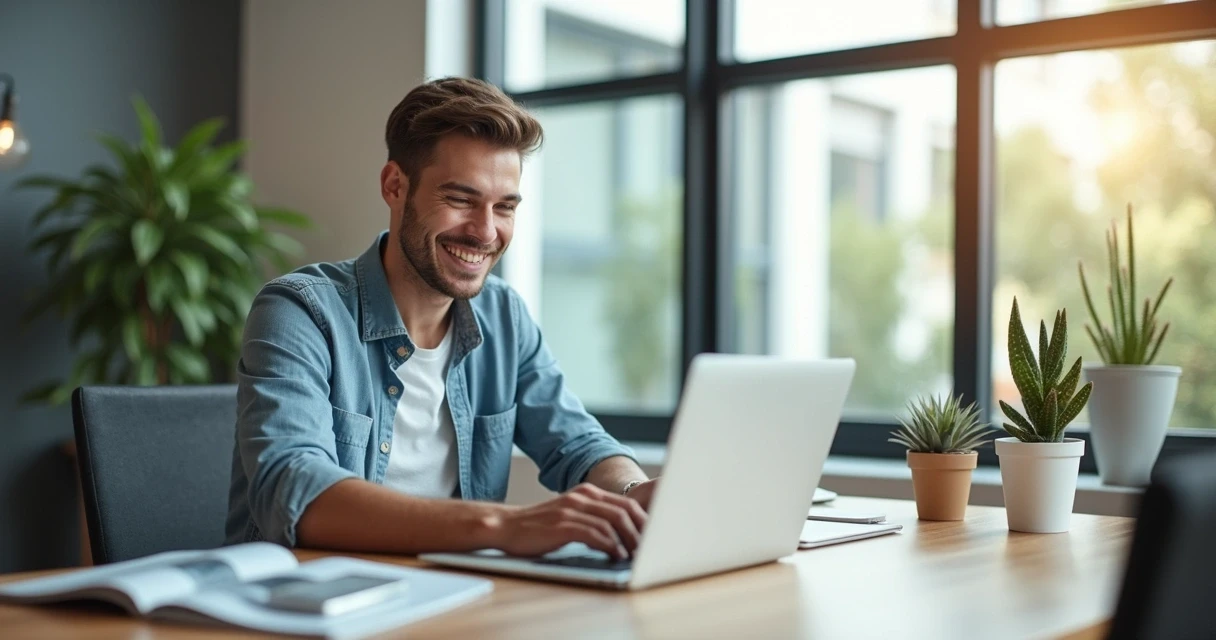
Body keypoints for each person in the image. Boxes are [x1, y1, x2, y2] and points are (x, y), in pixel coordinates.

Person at [225, 77, 657, 561]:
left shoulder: (504, 317)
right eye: (460, 200)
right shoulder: (301, 312)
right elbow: (295, 491)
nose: (485, 231)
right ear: (395, 186)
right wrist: (504, 525)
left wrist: (634, 495)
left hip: (452, 600)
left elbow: (578, 443)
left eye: (504, 207)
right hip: (304, 606)